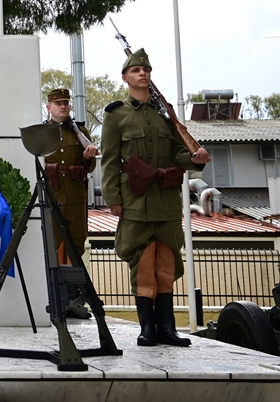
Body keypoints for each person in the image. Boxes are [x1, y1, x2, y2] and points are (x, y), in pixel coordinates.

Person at [101, 48, 210, 347]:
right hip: (135, 198)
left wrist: (195, 159)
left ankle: (167, 328)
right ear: (125, 77)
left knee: (166, 261)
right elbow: (109, 161)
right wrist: (113, 199)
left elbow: (178, 153)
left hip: (166, 199)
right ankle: (147, 328)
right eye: (136, 70)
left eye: (146, 70)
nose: (143, 73)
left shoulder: (165, 113)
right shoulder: (116, 114)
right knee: (143, 262)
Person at [43, 88, 98, 319]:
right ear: (49, 107)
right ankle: (58, 299)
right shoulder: (43, 132)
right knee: (56, 248)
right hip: (53, 196)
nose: (63, 106)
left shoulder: (80, 131)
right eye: (58, 103)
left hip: (75, 197)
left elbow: (90, 167)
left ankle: (75, 299)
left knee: (75, 247)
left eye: (66, 103)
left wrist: (88, 157)